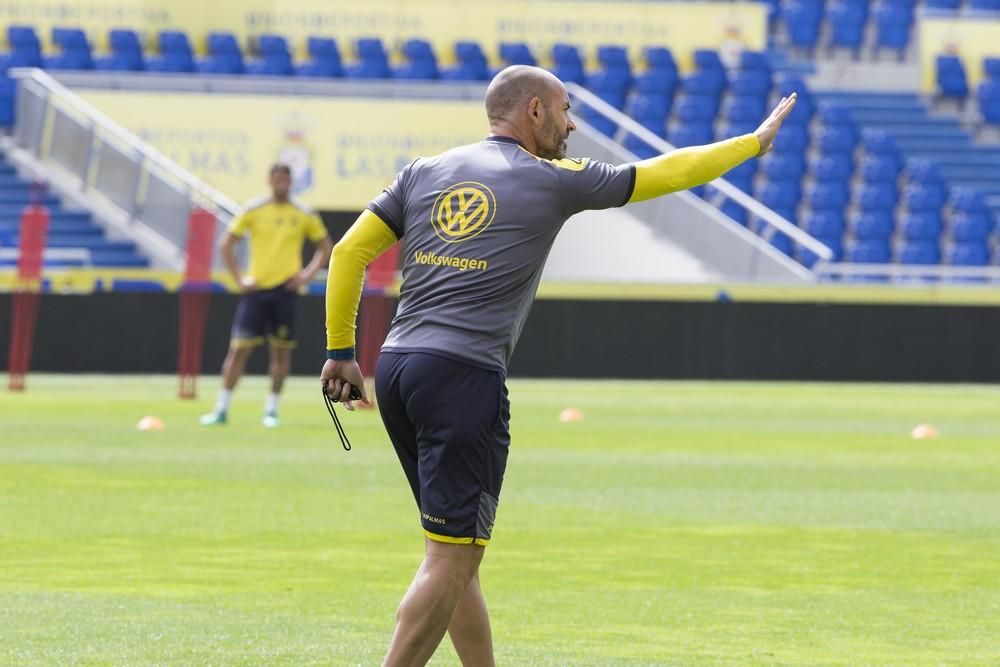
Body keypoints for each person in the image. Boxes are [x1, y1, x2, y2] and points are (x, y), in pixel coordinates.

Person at [320, 65, 796, 666]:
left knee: (456, 551)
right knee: (448, 561)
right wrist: (750, 144)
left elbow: (348, 252)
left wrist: (341, 351)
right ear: (535, 112)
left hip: (397, 369)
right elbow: (662, 173)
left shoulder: (424, 171)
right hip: (463, 379)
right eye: (566, 109)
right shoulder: (552, 179)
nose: (572, 123)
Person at [201, 163, 332, 428]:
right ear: (269, 181)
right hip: (256, 290)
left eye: (286, 179)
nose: (281, 183)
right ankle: (221, 408)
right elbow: (226, 243)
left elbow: (325, 247)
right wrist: (239, 278)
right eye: (277, 179)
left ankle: (271, 410)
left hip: (285, 291)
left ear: (291, 182)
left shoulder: (303, 213)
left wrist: (305, 276)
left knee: (280, 353)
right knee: (239, 349)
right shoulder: (253, 209)